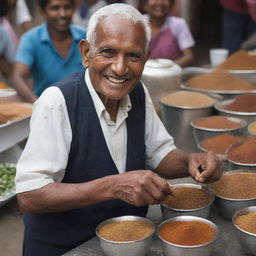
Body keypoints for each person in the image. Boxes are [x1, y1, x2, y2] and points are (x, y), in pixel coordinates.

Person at [15, 3, 222, 255]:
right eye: (108, 52)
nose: (120, 68)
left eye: (133, 55)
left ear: (146, 59)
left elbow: (160, 154)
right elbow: (30, 195)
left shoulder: (137, 92)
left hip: (129, 242)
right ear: (86, 53)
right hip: (66, 248)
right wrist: (114, 186)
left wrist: (192, 161)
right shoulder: (56, 102)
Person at [11, 0, 85, 103]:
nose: (62, 14)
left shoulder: (85, 36)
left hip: (82, 105)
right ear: (42, 11)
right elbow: (18, 77)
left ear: (73, 9)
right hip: (46, 106)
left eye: (67, 7)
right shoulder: (31, 39)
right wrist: (37, 104)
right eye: (55, 8)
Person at [143, 0, 195, 67]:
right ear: (145, 4)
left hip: (172, 75)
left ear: (171, 4)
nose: (160, 2)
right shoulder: (138, 23)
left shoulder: (178, 24)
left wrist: (167, 69)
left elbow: (188, 57)